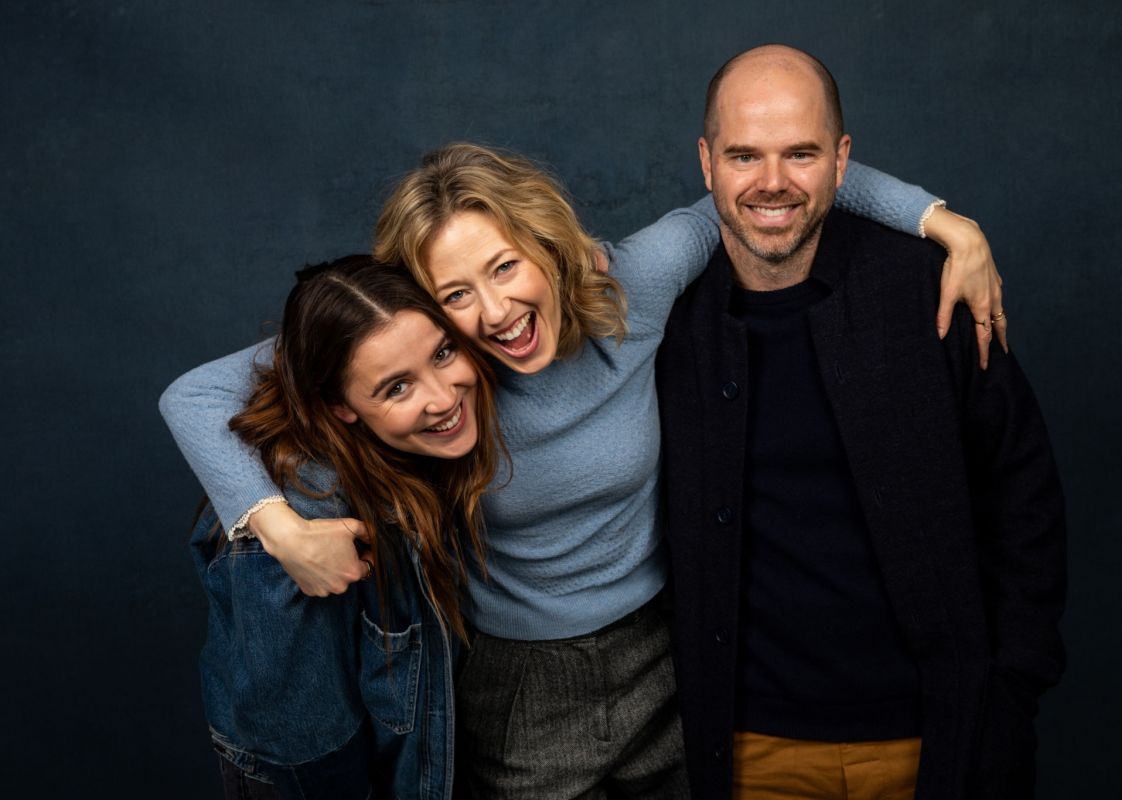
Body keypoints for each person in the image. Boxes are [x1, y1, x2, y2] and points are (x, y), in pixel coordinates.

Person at [161, 143, 1004, 797]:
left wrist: (948, 225)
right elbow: (195, 394)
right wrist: (278, 529)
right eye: (455, 296)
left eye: (506, 266)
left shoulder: (635, 280)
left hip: (669, 654)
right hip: (516, 683)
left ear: (547, 243)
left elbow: (769, 191)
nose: (494, 314)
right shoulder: (438, 367)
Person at [656, 45, 1066, 800]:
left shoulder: (928, 290)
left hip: (939, 732)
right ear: (706, 162)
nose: (772, 183)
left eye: (801, 154)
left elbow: (1025, 499)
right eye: (745, 155)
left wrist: (1011, 689)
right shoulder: (664, 323)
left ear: (843, 162)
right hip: (750, 747)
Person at [176, 256, 503, 798]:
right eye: (397, 388)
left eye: (443, 353)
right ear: (339, 406)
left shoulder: (404, 453)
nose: (444, 398)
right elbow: (305, 755)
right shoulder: (314, 513)